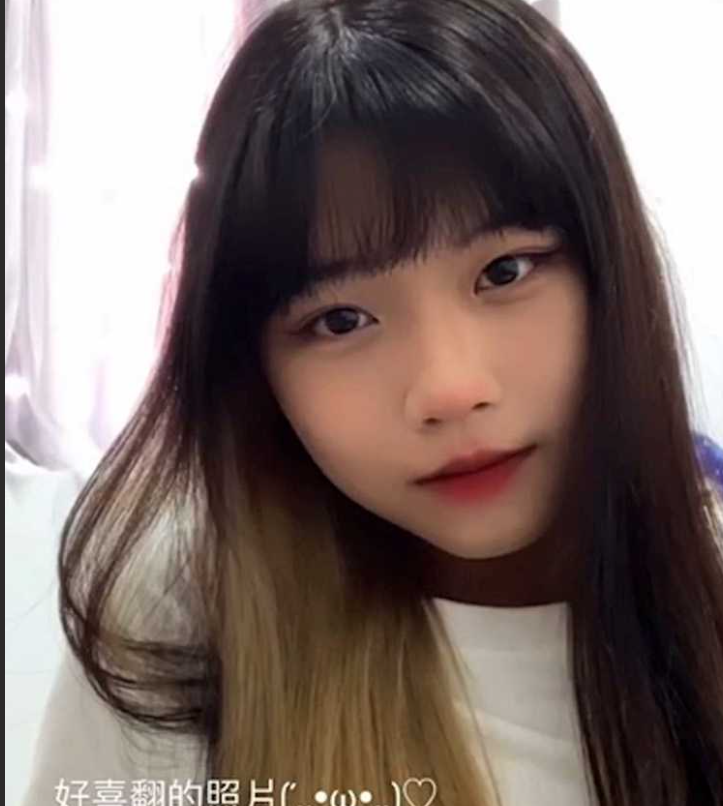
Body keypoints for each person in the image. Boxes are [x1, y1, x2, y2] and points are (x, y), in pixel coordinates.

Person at [22, 0, 723, 804]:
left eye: (504, 272)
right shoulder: (182, 614)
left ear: (609, 269)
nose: (449, 390)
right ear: (254, 372)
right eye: (340, 321)